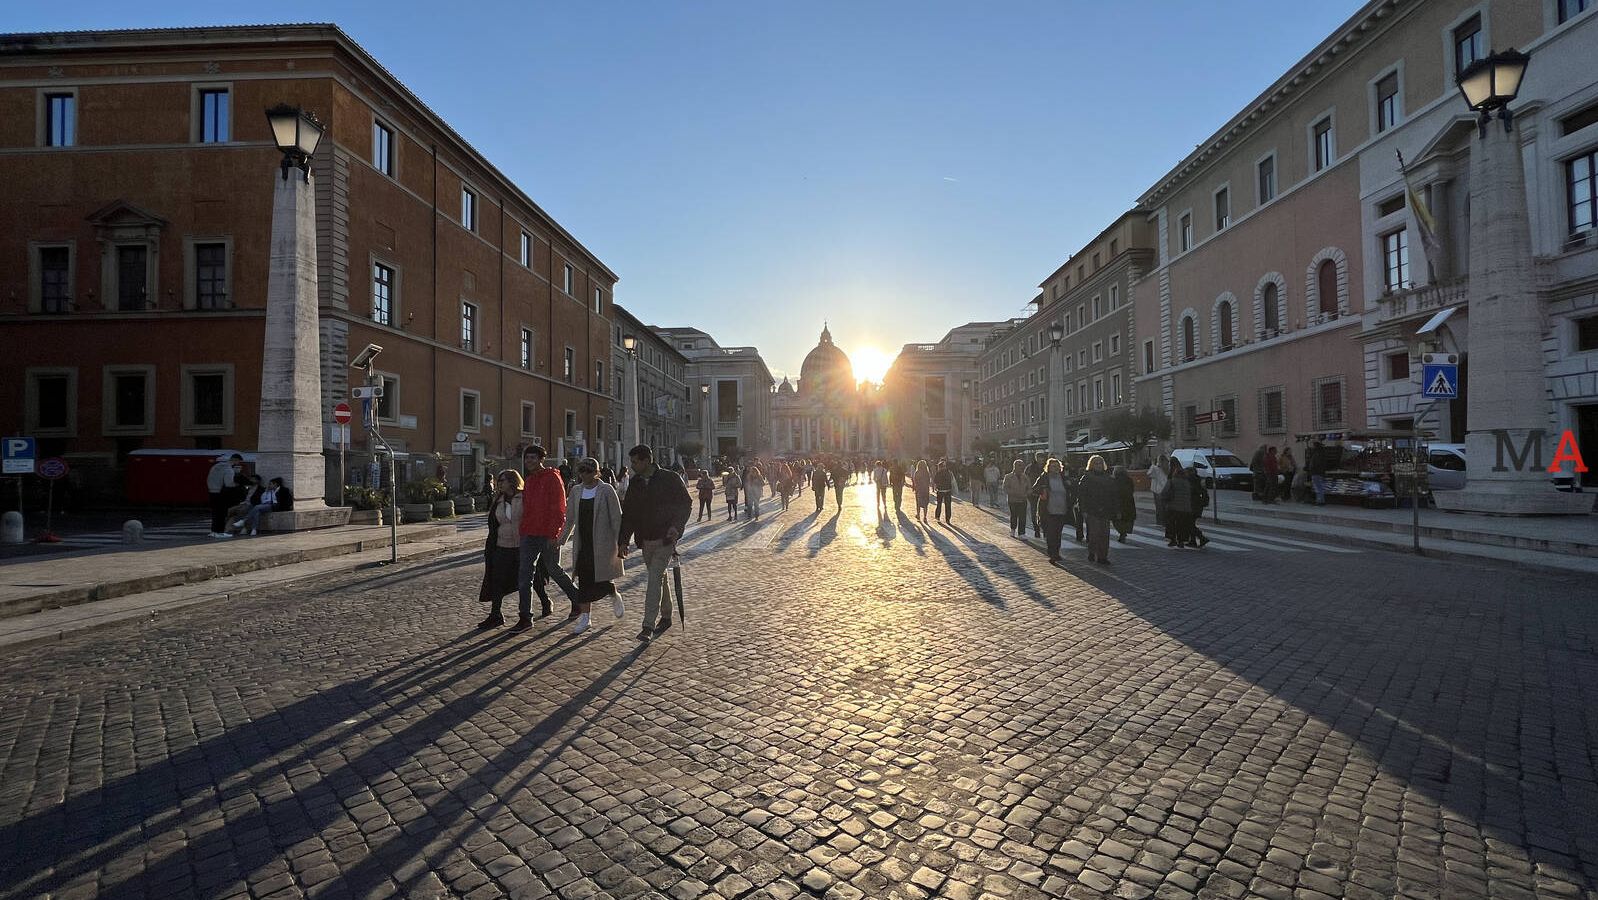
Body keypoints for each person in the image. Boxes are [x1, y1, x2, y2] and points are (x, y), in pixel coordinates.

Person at [617, 444, 692, 642]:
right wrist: (623, 541)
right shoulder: (635, 483)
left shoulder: (670, 478)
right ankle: (666, 614)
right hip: (645, 539)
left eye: (635, 462)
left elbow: (685, 503)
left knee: (653, 579)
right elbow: (629, 515)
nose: (632, 466)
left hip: (665, 538)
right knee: (658, 577)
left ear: (646, 460)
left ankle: (647, 626)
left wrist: (677, 526)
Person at [516, 445, 582, 630]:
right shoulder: (528, 480)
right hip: (529, 533)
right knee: (524, 575)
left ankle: (577, 599)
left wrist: (555, 534)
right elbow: (526, 507)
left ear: (541, 460)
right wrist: (522, 529)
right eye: (527, 458)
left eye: (532, 458)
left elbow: (559, 508)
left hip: (547, 534)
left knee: (554, 569)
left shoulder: (553, 478)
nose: (529, 461)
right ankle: (525, 617)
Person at [559, 458, 625, 636]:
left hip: (603, 542)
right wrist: (560, 539)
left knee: (602, 578)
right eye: (581, 470)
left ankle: (613, 593)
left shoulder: (606, 490)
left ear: (596, 472)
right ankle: (585, 618)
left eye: (588, 470)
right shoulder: (576, 491)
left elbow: (616, 517)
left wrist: (622, 542)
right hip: (583, 542)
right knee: (584, 581)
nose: (584, 474)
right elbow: (570, 518)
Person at [477, 470, 525, 630]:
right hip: (502, 546)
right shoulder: (498, 501)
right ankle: (495, 615)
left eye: (502, 480)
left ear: (512, 481)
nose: (499, 484)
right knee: (497, 581)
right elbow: (493, 525)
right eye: (498, 480)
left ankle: (538, 607)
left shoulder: (524, 498)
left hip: (522, 546)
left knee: (528, 582)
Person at [1077, 456, 1117, 564]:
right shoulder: (1087, 477)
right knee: (1094, 534)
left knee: (1105, 534)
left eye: (1100, 463)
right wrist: (1083, 509)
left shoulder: (1108, 477)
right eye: (1096, 463)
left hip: (1105, 510)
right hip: (1092, 510)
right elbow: (1082, 495)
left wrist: (1114, 509)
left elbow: (1113, 494)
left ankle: (1102, 556)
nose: (1098, 465)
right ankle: (1092, 552)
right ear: (1091, 465)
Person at [1033, 458, 1074, 563]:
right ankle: (1052, 554)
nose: (1055, 468)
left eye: (1057, 466)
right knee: (1051, 533)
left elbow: (1072, 489)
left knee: (1058, 533)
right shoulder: (1044, 477)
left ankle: (1056, 552)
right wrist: (1042, 491)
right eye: (1053, 466)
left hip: (1062, 509)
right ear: (1048, 468)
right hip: (1048, 510)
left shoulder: (1063, 478)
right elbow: (1035, 489)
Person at [1161, 460, 1195, 548]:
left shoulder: (1172, 481)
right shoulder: (1187, 483)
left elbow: (1164, 492)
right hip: (1185, 507)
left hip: (1173, 506)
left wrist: (1164, 501)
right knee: (1182, 525)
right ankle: (1181, 541)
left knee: (1171, 524)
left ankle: (1173, 540)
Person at [206, 454, 240, 538]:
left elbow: (208, 479)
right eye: (238, 462)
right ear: (235, 460)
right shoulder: (228, 469)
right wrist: (237, 484)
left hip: (212, 492)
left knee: (215, 513)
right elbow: (228, 483)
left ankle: (213, 531)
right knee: (221, 514)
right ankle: (220, 532)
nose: (238, 464)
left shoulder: (214, 467)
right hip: (221, 493)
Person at [1003, 460, 1031, 538]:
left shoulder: (1025, 477)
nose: (1020, 467)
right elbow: (1005, 488)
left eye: (1021, 465)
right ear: (1014, 466)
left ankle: (1021, 533)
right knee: (1014, 515)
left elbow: (1029, 488)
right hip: (1013, 500)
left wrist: (1026, 494)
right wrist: (1014, 493)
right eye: (1018, 465)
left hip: (1023, 499)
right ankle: (1013, 529)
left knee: (1022, 516)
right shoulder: (1008, 476)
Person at [1111, 466, 1137, 542]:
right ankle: (1124, 532)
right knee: (1127, 519)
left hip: (1118, 502)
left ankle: (1122, 532)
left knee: (1117, 520)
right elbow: (1132, 490)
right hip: (1128, 502)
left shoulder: (1114, 481)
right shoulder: (1129, 480)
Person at [1024, 452, 1046, 538]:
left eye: (1042, 458)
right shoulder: (1030, 468)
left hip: (1044, 493)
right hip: (1032, 493)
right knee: (1034, 512)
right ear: (1036, 458)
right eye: (1039, 457)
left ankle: (1044, 530)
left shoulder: (1046, 467)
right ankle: (1036, 529)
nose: (1041, 459)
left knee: (1044, 512)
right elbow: (1025, 479)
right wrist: (1027, 489)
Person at [1148, 455, 1170, 541]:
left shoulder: (1156, 468)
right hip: (1165, 488)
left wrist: (1152, 465)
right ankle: (1163, 520)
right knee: (1163, 506)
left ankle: (1161, 521)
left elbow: (1149, 474)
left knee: (1159, 507)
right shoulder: (1167, 468)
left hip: (1158, 490)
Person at [1306, 439, 1329, 505]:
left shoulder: (1316, 454)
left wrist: (1310, 468)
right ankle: (1322, 500)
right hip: (1321, 472)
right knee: (1321, 487)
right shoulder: (1323, 453)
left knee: (1318, 487)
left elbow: (1314, 464)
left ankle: (1319, 501)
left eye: (1313, 446)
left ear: (1315, 446)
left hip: (1316, 473)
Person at [932, 459, 955, 524]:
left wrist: (936, 487)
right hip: (948, 490)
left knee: (939, 504)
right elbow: (951, 480)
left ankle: (938, 517)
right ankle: (948, 519)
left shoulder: (938, 473)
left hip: (940, 491)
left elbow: (935, 481)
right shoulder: (949, 472)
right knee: (948, 505)